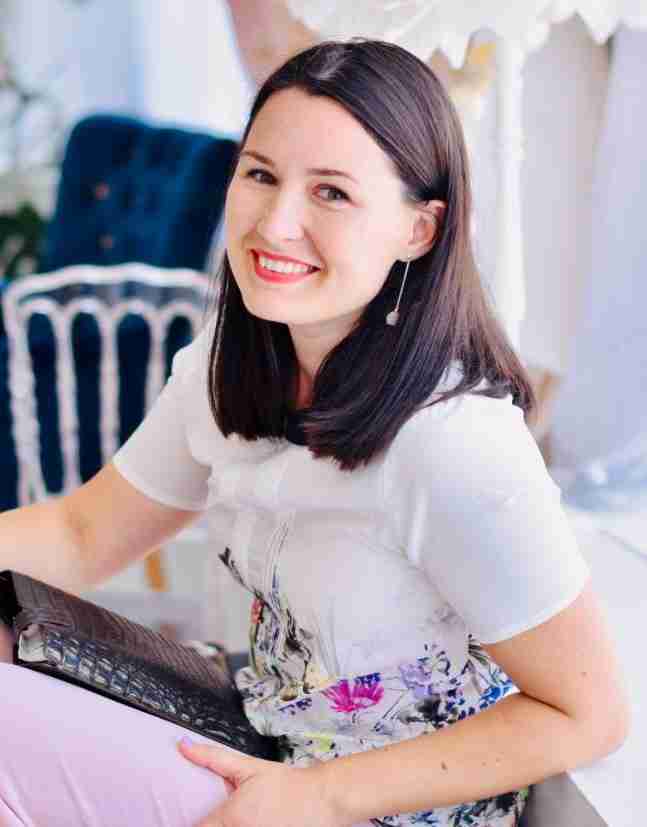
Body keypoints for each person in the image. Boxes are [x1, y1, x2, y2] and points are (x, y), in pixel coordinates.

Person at [0, 39, 630, 827]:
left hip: (374, 807)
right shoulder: (229, 366)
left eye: (331, 192)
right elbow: (83, 532)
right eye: (260, 175)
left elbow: (588, 712)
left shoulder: (453, 441)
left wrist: (318, 795)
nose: (277, 222)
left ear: (419, 229)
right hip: (265, 737)